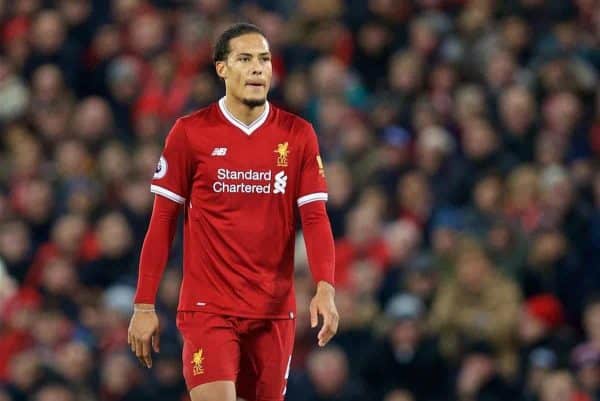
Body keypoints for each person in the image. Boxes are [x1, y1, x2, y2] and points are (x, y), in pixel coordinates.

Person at [127, 23, 339, 401]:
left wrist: (325, 286)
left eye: (264, 59)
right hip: (209, 310)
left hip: (273, 311)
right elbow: (162, 221)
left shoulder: (297, 134)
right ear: (221, 68)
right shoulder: (190, 133)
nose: (258, 68)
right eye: (245, 59)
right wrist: (144, 303)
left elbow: (315, 217)